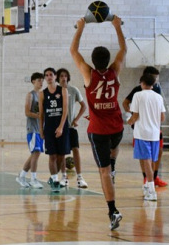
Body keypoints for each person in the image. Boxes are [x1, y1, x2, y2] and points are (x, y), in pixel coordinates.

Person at [70, 15, 127, 231]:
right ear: (108, 59)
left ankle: (113, 211)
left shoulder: (88, 74)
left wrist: (81, 27)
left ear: (92, 61)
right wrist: (117, 26)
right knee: (114, 146)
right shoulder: (115, 70)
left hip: (99, 131)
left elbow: (74, 51)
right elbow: (123, 49)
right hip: (117, 128)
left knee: (104, 172)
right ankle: (113, 163)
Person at [122, 66, 167, 188]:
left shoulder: (156, 91)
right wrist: (130, 115)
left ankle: (152, 180)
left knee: (152, 155)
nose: (156, 79)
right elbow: (126, 103)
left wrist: (130, 120)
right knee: (145, 157)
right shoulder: (137, 92)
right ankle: (147, 179)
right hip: (146, 129)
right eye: (155, 77)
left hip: (150, 129)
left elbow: (137, 115)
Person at [38, 67, 69, 192]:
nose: (49, 77)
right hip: (49, 128)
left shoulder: (63, 90)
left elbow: (65, 110)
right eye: (46, 75)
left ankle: (54, 177)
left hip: (62, 127)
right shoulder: (42, 93)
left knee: (61, 155)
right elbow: (41, 114)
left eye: (51, 74)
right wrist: (41, 129)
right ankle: (55, 180)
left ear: (55, 76)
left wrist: (61, 127)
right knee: (52, 155)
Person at [56, 68, 88, 189]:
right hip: (60, 127)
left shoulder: (73, 90)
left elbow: (84, 106)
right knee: (62, 153)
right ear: (58, 78)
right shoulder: (55, 91)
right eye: (61, 76)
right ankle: (64, 177)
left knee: (76, 150)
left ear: (68, 77)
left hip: (71, 127)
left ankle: (80, 177)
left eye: (65, 76)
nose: (63, 78)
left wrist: (76, 119)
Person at [16, 72, 44, 189]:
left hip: (40, 129)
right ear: (33, 81)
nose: (41, 82)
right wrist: (40, 116)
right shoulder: (30, 95)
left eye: (42, 80)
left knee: (35, 154)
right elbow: (27, 112)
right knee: (36, 153)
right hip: (32, 128)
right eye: (39, 80)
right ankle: (33, 179)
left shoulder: (42, 95)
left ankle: (22, 176)